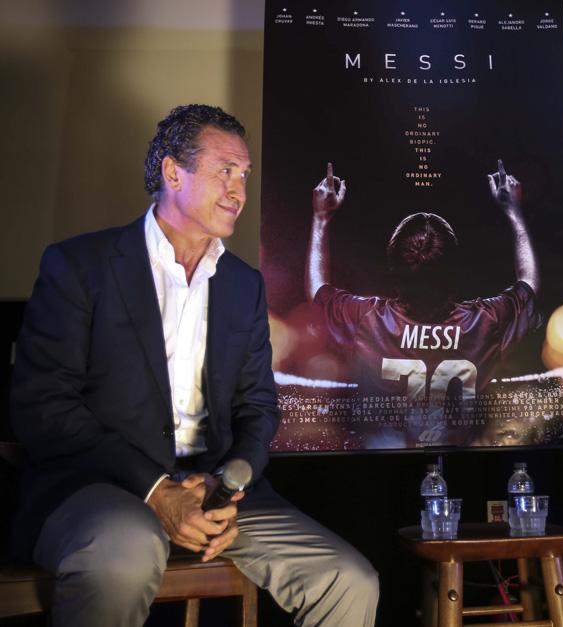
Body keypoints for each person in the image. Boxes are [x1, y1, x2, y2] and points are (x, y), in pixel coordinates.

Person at [10, 104, 378, 627]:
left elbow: (258, 407)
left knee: (349, 580)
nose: (238, 190)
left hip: (214, 494)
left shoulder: (242, 284)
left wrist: (228, 489)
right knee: (125, 557)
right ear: (171, 172)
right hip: (98, 488)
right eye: (224, 170)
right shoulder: (78, 266)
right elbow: (43, 407)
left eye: (244, 175)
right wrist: (158, 492)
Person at [305, 160, 540, 447]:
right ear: (454, 270)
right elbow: (528, 284)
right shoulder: (485, 320)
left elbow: (317, 290)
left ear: (392, 267)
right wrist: (513, 211)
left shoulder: (368, 318)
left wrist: (321, 218)